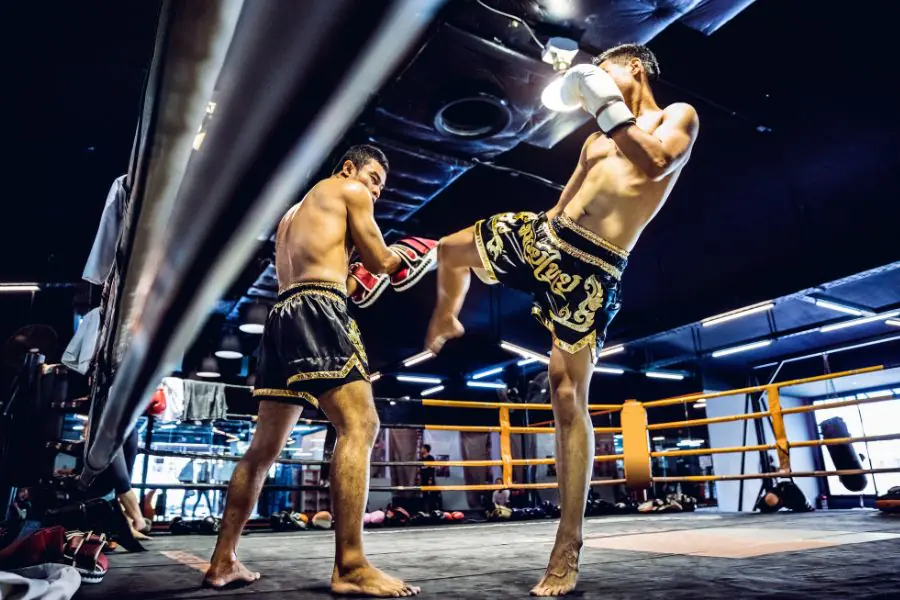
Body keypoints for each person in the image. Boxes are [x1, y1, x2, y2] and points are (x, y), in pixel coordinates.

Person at [424, 44, 699, 597]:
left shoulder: (678, 116)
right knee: (451, 251)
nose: (597, 78)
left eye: (607, 69)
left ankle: (567, 546)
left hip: (595, 266)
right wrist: (519, 254)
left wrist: (599, 99)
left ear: (636, 68)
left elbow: (657, 161)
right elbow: (562, 202)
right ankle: (446, 319)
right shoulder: (596, 139)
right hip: (549, 237)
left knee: (566, 395)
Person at [205, 145, 429, 597]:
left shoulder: (293, 215)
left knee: (263, 450)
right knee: (361, 425)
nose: (376, 190)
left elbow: (342, 277)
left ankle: (222, 560)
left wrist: (360, 276)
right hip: (318, 311)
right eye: (373, 178)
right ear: (349, 168)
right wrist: (424, 252)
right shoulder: (349, 189)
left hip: (282, 316)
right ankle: (350, 565)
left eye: (381, 187)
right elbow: (383, 261)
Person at [418, 444, 441, 512]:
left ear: (426, 449)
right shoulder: (421, 459)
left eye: (422, 448)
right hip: (423, 480)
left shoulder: (431, 458)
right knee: (425, 495)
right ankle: (426, 511)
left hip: (429, 480)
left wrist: (430, 479)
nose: (421, 449)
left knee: (432, 495)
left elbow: (432, 470)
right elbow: (420, 470)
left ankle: (433, 510)